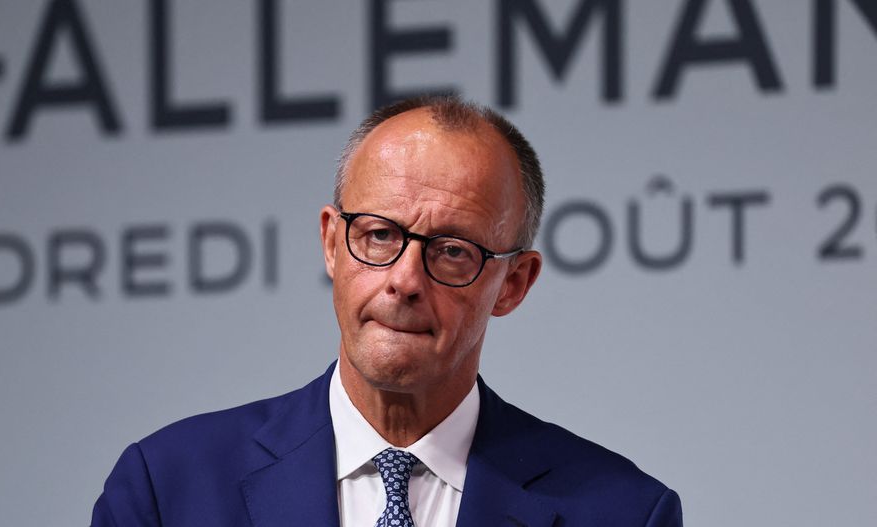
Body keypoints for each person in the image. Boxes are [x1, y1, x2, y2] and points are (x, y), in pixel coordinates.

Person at [91, 96, 682, 526]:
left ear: (513, 284)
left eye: (452, 251)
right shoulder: (167, 489)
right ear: (330, 242)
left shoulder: (623, 514)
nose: (404, 280)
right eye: (378, 235)